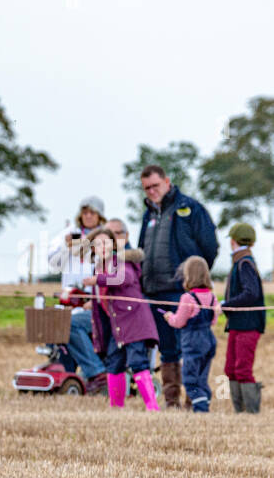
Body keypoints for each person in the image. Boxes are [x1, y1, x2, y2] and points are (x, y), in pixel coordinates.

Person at [136, 164, 218, 408]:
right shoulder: (147, 215)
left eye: (155, 186)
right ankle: (172, 400)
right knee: (167, 348)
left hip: (183, 293)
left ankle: (194, 398)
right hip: (154, 291)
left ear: (167, 181)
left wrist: (195, 280)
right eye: (146, 188)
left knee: (190, 348)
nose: (151, 191)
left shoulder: (190, 209)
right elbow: (142, 249)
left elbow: (210, 246)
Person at [84, 226, 159, 411]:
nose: (103, 246)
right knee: (114, 363)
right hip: (116, 326)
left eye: (107, 242)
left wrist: (99, 280)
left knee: (137, 362)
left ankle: (152, 407)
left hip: (134, 322)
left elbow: (122, 279)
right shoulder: (96, 269)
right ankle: (116, 407)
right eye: (98, 243)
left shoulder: (121, 262)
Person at [51, 197, 108, 391]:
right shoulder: (69, 234)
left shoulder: (106, 236)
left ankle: (96, 373)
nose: (88, 216)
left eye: (92, 212)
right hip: (69, 299)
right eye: (85, 212)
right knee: (53, 325)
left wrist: (96, 300)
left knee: (71, 325)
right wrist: (66, 248)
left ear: (99, 215)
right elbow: (54, 263)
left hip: (95, 301)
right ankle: (68, 374)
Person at [163, 256, 219, 412]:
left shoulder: (187, 298)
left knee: (190, 379)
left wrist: (169, 317)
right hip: (209, 339)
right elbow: (213, 321)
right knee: (202, 377)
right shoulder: (212, 296)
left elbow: (179, 322)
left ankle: (200, 408)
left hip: (193, 342)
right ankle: (205, 401)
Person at [220, 223, 265, 413]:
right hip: (238, 324)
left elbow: (251, 293)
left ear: (232, 241)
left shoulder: (244, 263)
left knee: (242, 369)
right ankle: (239, 412)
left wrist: (226, 304)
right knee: (230, 369)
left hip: (248, 325)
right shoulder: (242, 261)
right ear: (252, 242)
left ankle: (251, 413)